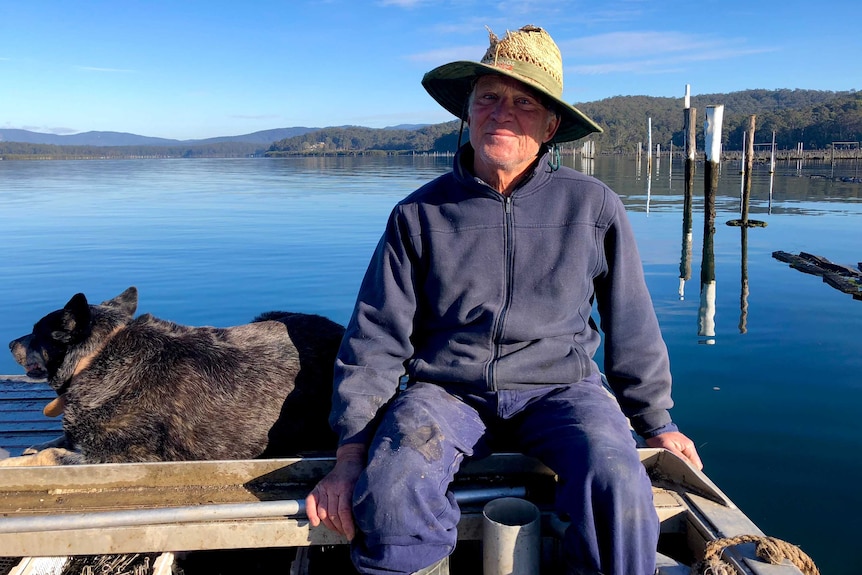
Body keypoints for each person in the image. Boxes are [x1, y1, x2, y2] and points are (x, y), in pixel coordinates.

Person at [306, 25, 702, 575]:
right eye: (488, 98)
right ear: (467, 113)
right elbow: (375, 339)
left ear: (551, 124)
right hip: (446, 393)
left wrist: (657, 423)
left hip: (562, 390)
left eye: (523, 102)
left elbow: (631, 322)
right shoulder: (417, 215)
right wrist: (350, 451)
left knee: (616, 477)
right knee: (393, 485)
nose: (502, 113)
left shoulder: (594, 206)